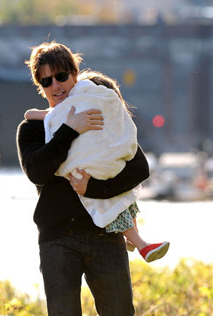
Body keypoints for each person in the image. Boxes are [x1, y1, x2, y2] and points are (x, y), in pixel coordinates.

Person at [16, 41, 150, 316]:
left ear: (75, 75)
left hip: (105, 235)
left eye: (61, 76)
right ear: (40, 86)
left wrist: (93, 189)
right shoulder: (33, 129)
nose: (55, 86)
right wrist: (70, 129)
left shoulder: (100, 114)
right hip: (57, 238)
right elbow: (38, 171)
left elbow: (139, 168)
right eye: (46, 81)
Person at [24, 69, 169, 263]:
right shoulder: (67, 114)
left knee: (126, 202)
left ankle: (135, 239)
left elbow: (140, 168)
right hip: (61, 230)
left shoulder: (103, 128)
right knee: (119, 205)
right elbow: (35, 118)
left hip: (99, 230)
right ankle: (140, 243)